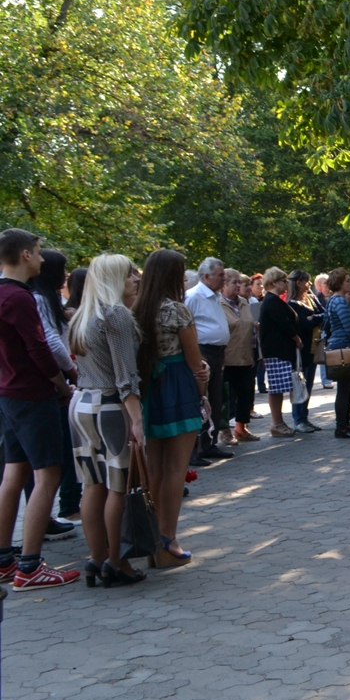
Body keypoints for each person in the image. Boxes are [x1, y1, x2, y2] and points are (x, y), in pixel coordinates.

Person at [0, 228, 79, 590]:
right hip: (32, 396)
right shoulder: (20, 297)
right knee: (48, 475)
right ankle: (30, 566)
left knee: (14, 473)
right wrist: (61, 384)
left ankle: (5, 560)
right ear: (25, 255)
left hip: (9, 394)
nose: (43, 258)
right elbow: (39, 348)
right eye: (39, 251)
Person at [67, 254, 147, 587]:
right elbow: (125, 376)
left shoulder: (82, 315)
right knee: (118, 484)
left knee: (92, 484)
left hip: (82, 403)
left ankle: (96, 557)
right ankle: (117, 561)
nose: (136, 278)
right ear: (114, 279)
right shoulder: (116, 315)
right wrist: (137, 422)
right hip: (111, 406)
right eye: (129, 274)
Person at [133, 248, 210, 568]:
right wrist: (203, 391)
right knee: (176, 470)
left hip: (149, 388)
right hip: (178, 387)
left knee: (154, 469)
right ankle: (168, 539)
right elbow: (195, 362)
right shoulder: (176, 310)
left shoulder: (136, 309)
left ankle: (153, 540)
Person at [33, 249, 80, 528]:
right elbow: (50, 341)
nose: (65, 275)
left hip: (57, 377)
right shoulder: (40, 299)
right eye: (62, 269)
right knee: (52, 456)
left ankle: (48, 516)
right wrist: (71, 373)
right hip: (54, 378)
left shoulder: (49, 299)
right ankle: (56, 513)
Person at [184, 257, 232, 462]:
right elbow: (186, 326)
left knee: (215, 398)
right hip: (202, 352)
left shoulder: (215, 296)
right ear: (206, 276)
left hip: (218, 352)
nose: (224, 279)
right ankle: (195, 449)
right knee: (201, 399)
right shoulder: (193, 296)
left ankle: (209, 444)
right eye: (220, 275)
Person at [257, 268, 301, 438]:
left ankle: (279, 422)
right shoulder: (271, 300)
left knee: (280, 387)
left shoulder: (274, 300)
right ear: (274, 283)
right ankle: (276, 423)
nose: (286, 284)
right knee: (276, 388)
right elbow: (284, 323)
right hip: (275, 351)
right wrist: (296, 338)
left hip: (281, 350)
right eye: (283, 281)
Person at [321, 269, 350, 439]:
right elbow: (349, 327)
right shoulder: (339, 301)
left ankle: (345, 423)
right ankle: (341, 427)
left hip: (340, 346)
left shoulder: (333, 300)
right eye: (347, 280)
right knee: (344, 390)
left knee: (346, 389)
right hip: (344, 347)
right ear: (339, 284)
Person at [219, 269, 260, 445]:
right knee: (225, 398)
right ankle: (224, 431)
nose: (238, 285)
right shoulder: (218, 303)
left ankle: (241, 428)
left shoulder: (244, 302)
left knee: (246, 395)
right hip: (226, 359)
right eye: (234, 282)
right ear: (224, 284)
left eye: (239, 282)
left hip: (246, 357)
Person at [286, 270, 323, 433]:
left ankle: (305, 417)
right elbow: (304, 325)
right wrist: (315, 318)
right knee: (300, 384)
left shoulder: (311, 298)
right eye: (307, 281)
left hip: (315, 347)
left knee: (309, 384)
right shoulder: (292, 303)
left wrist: (313, 318)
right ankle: (298, 419)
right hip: (302, 349)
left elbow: (325, 313)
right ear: (299, 283)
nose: (309, 284)